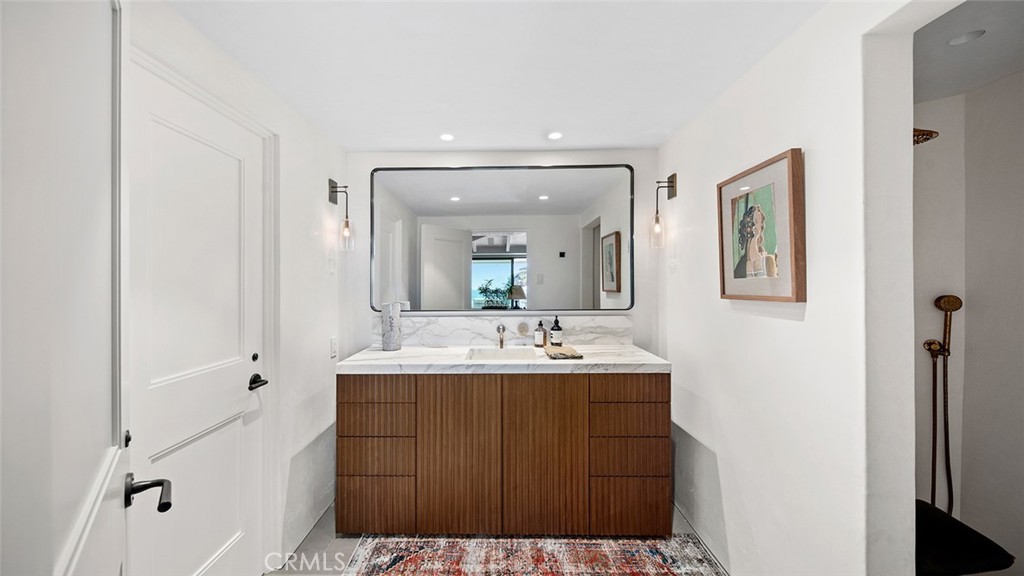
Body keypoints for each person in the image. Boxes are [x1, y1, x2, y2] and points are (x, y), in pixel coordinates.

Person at [733, 204, 778, 279]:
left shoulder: (767, 260)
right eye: (751, 221)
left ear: (761, 227)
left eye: (756, 221)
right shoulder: (740, 266)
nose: (753, 225)